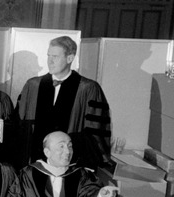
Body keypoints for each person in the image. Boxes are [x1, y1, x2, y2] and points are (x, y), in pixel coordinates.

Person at [14, 36, 112, 171]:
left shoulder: (87, 88)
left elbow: (95, 131)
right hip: (35, 161)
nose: (50, 61)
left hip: (71, 163)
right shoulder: (33, 85)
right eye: (49, 56)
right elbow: (20, 126)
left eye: (55, 56)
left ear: (70, 58)